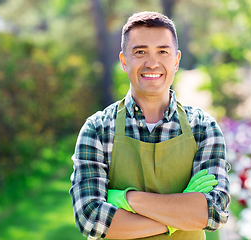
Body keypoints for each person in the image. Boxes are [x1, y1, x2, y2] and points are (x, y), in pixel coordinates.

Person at [69, 11, 231, 240]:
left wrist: (127, 200)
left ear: (176, 60)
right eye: (140, 52)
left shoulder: (203, 129)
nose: (152, 63)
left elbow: (214, 213)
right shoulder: (97, 129)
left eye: (163, 52)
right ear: (124, 61)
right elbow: (92, 220)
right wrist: (181, 216)